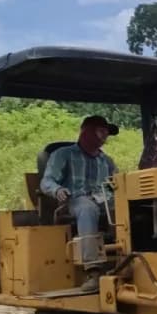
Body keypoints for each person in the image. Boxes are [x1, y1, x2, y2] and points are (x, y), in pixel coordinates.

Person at [40, 115, 119, 290]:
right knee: (87, 208)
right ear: (86, 132)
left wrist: (110, 195)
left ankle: (126, 260)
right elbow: (47, 181)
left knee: (128, 208)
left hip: (103, 200)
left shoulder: (107, 161)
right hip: (74, 200)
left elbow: (116, 185)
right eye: (101, 131)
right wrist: (58, 190)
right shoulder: (63, 154)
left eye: (107, 132)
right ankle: (93, 271)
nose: (105, 136)